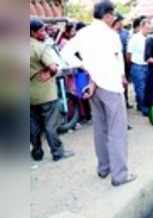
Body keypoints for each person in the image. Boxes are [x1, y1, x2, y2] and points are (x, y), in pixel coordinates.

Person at [61, 0, 135, 187]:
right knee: (117, 132)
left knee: (100, 129)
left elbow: (65, 54)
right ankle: (120, 175)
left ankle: (104, 168)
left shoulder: (83, 33)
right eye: (114, 14)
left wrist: (85, 67)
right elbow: (116, 61)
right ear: (108, 15)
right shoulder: (111, 35)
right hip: (110, 85)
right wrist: (122, 77)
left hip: (93, 86)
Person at [30, 19, 74, 162]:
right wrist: (50, 73)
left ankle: (37, 152)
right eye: (42, 30)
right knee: (51, 125)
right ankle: (57, 152)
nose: (45, 33)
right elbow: (54, 67)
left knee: (34, 126)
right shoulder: (40, 47)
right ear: (33, 32)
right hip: (45, 93)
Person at [127, 19, 152, 115]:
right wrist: (132, 64)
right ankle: (144, 109)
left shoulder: (150, 38)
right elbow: (129, 54)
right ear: (141, 27)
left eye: (150, 28)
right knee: (140, 88)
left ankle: (140, 105)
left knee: (146, 88)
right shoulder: (134, 38)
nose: (148, 30)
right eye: (147, 28)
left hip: (148, 65)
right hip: (137, 66)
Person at [112, 13, 133, 110]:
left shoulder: (126, 33)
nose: (121, 24)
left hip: (124, 60)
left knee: (125, 82)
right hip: (113, 62)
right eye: (120, 21)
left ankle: (125, 101)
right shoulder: (109, 34)